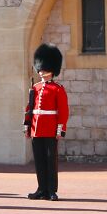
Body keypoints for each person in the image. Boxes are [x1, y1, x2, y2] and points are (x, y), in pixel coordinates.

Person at [24, 43, 69, 202]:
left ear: (52, 69)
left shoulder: (58, 89)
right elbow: (30, 108)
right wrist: (27, 127)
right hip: (36, 128)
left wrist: (60, 129)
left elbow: (63, 111)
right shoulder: (35, 88)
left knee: (51, 161)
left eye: (44, 68)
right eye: (40, 68)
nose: (41, 71)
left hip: (50, 129)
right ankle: (41, 188)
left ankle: (51, 190)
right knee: (39, 160)